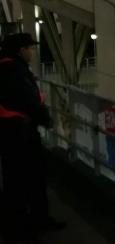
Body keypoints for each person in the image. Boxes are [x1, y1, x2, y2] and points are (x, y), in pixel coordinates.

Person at [0, 33, 66, 243]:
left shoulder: (5, 67)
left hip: (9, 132)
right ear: (21, 50)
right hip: (20, 132)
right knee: (31, 177)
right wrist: (46, 118)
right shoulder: (14, 71)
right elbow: (28, 100)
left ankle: (24, 222)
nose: (33, 51)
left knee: (15, 179)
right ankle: (28, 225)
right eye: (30, 48)